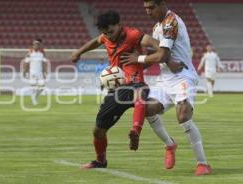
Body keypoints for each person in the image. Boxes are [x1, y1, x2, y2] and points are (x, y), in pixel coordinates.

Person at [71, 10, 185, 169]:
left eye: (111, 31)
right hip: (117, 88)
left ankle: (135, 131)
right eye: (105, 33)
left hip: (136, 82)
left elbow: (158, 46)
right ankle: (100, 161)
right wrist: (78, 52)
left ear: (119, 25)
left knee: (140, 97)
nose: (108, 36)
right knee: (98, 131)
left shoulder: (133, 34)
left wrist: (169, 61)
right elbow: (96, 41)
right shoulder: (105, 36)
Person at [120, 0, 212, 176]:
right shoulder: (157, 27)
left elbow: (161, 55)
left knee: (183, 115)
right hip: (164, 79)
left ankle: (203, 163)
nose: (148, 12)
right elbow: (157, 58)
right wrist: (127, 72)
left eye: (151, 7)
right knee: (146, 108)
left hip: (182, 76)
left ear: (163, 4)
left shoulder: (171, 22)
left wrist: (137, 60)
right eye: (145, 8)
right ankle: (170, 145)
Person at [23, 39, 48, 105]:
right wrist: (24, 72)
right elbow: (26, 63)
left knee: (42, 87)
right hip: (32, 73)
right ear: (33, 45)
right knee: (33, 87)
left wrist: (45, 72)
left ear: (39, 45)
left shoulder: (42, 53)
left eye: (37, 44)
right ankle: (34, 99)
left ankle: (35, 96)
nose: (36, 46)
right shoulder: (30, 52)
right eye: (35, 44)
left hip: (40, 73)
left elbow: (44, 63)